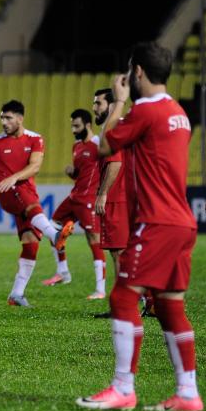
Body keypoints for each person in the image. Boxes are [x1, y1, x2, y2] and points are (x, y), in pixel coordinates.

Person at [77, 42, 202, 411]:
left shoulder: (145, 111)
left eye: (130, 72)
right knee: (170, 306)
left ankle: (123, 389)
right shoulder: (178, 111)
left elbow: (105, 146)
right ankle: (187, 394)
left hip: (157, 220)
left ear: (139, 73)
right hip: (181, 220)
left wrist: (118, 101)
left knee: (122, 297)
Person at [0, 100, 71, 307]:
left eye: (8, 117)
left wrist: (15, 176)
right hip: (8, 193)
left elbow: (35, 166)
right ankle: (54, 235)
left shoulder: (35, 139)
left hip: (27, 194)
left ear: (20, 118)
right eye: (2, 117)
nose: (4, 122)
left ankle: (16, 294)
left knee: (31, 243)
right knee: (21, 194)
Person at [45, 109, 106, 299]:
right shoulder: (77, 146)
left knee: (94, 240)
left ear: (88, 125)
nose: (73, 129)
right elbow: (81, 173)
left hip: (88, 200)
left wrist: (102, 193)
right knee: (52, 227)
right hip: (74, 197)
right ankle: (63, 272)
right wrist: (72, 172)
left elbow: (108, 169)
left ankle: (100, 290)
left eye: (77, 126)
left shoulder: (99, 145)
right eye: (72, 125)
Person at [91, 88, 130, 319]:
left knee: (119, 253)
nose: (94, 108)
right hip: (128, 195)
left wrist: (103, 193)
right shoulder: (125, 124)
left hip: (118, 197)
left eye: (98, 104)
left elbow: (115, 163)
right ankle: (149, 300)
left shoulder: (113, 127)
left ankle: (123, 307)